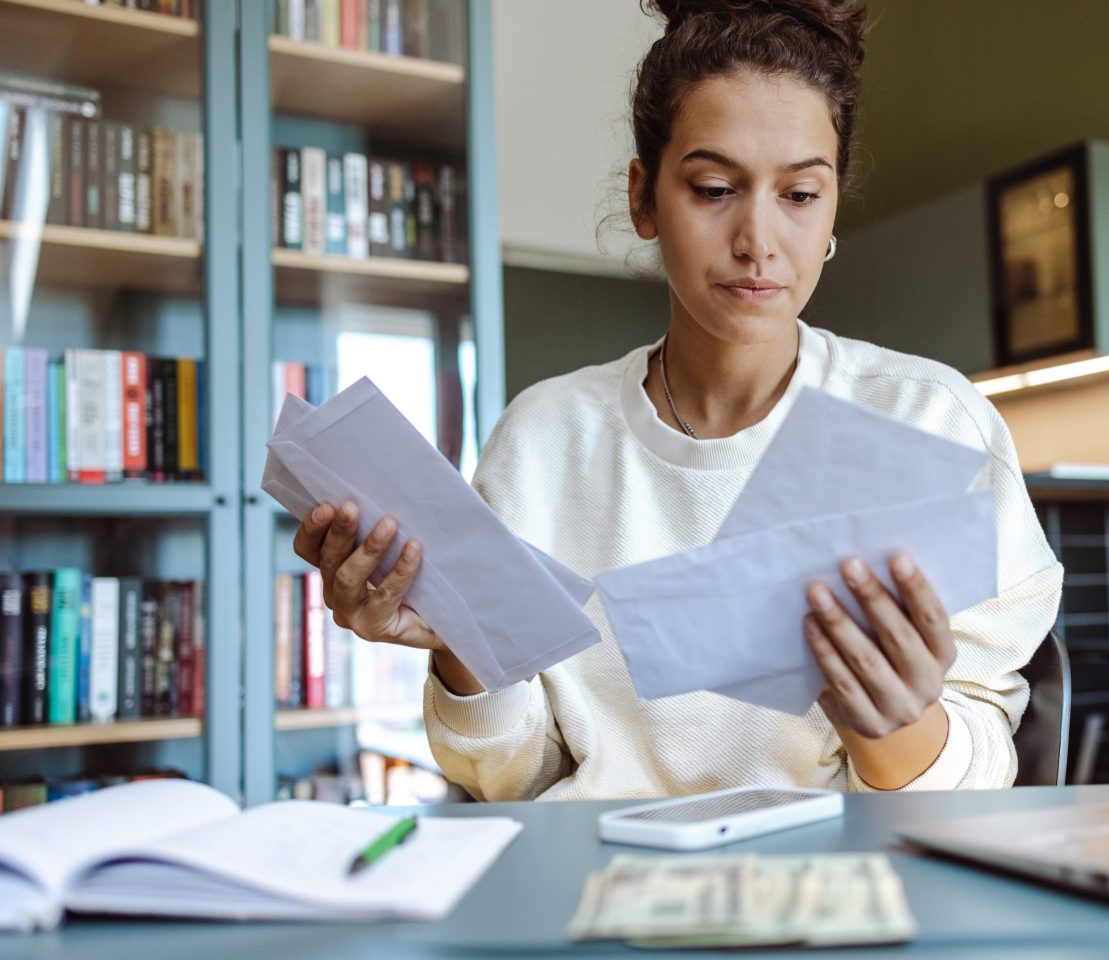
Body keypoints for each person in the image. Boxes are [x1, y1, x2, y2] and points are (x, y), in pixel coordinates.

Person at [292, 0, 1062, 801]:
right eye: (715, 186)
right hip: (595, 884)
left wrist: (895, 728)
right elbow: (522, 781)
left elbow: (982, 781)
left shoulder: (931, 422)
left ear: (833, 203)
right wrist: (460, 650)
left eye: (800, 195)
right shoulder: (545, 440)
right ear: (644, 199)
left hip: (836, 891)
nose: (758, 240)